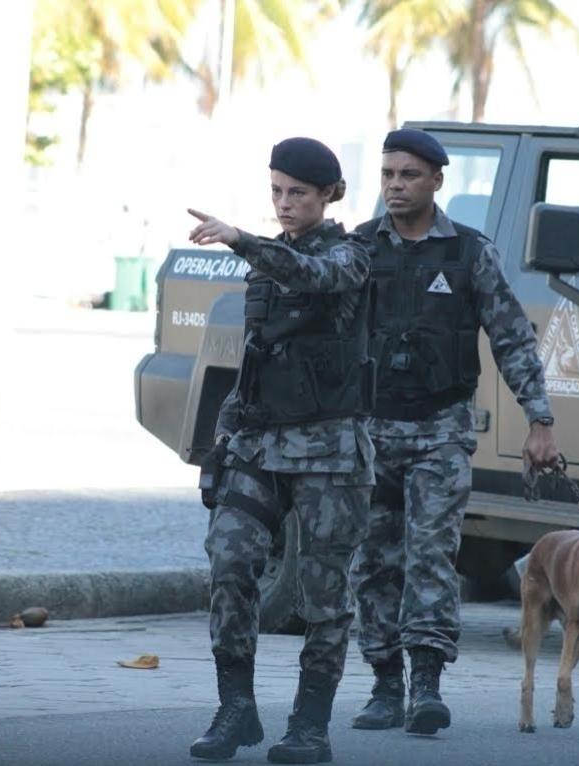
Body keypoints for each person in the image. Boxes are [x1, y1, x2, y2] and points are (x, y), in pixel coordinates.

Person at [349, 129, 561, 735]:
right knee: (373, 562)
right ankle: (385, 684)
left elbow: (513, 338)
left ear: (437, 182)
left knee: (432, 556)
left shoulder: (471, 254)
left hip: (440, 430)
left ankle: (426, 685)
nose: (395, 186)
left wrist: (540, 420)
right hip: (371, 433)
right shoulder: (360, 249)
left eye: (408, 175)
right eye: (388, 175)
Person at [188, 137, 376, 764]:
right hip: (260, 443)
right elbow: (255, 361)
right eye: (276, 191)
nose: (285, 203)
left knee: (323, 594)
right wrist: (222, 441)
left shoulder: (352, 256)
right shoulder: (267, 264)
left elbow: (314, 276)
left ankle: (310, 725)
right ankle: (236, 707)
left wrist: (243, 238)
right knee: (229, 562)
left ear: (330, 195)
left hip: (329, 452)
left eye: (297, 192)